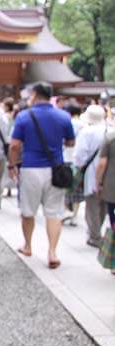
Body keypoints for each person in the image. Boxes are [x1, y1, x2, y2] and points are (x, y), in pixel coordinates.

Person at [8, 82, 75, 269]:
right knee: (54, 212)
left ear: (35, 95)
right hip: (55, 169)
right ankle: (52, 252)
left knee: (28, 211)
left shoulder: (23, 116)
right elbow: (70, 141)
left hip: (30, 168)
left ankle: (28, 245)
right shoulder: (63, 116)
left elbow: (14, 145)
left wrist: (12, 164)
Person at [74, 105, 112, 247]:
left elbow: (80, 155)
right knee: (103, 204)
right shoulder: (110, 130)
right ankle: (96, 232)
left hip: (91, 171)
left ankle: (94, 235)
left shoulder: (87, 132)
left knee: (92, 205)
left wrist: (79, 168)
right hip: (109, 174)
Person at [63, 102, 86, 226]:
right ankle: (74, 216)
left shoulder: (67, 123)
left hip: (66, 158)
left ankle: (65, 209)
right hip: (79, 162)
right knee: (77, 190)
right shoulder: (84, 125)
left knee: (64, 188)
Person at [96, 132, 115, 272]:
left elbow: (102, 163)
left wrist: (98, 182)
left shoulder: (110, 137)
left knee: (114, 222)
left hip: (112, 187)